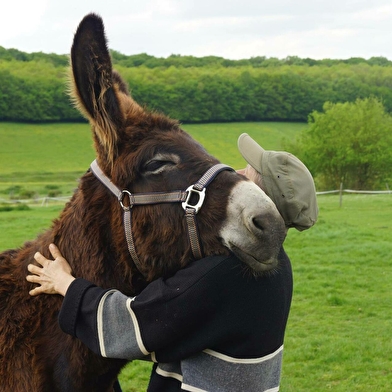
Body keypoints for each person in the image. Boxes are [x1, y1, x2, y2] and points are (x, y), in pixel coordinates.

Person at [26, 133, 318, 392]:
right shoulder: (279, 264)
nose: (238, 173)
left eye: (248, 174)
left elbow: (135, 326)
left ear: (260, 202)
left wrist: (66, 284)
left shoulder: (223, 275)